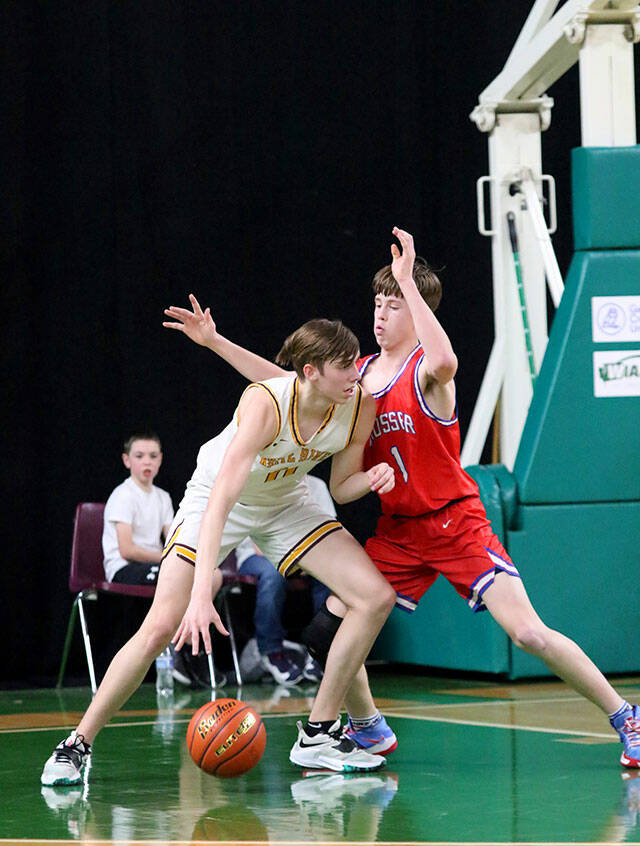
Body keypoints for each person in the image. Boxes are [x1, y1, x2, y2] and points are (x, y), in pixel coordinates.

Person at [167, 230, 640, 769]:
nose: (381, 314)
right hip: (401, 531)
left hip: (455, 523)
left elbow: (446, 358)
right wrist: (217, 343)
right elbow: (287, 382)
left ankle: (625, 715)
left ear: (417, 312)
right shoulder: (359, 376)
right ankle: (365, 728)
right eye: (378, 302)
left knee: (528, 632)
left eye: (394, 304)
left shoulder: (430, 374)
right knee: (328, 628)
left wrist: (410, 281)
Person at [41, 316, 398, 787]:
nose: (357, 372)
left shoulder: (358, 405)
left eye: (356, 362)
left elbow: (340, 485)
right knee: (159, 628)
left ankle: (319, 731)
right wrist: (200, 594)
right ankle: (77, 744)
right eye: (345, 365)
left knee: (375, 597)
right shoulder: (266, 403)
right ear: (310, 371)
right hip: (216, 501)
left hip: (287, 502)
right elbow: (219, 504)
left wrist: (372, 481)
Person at [236, 474, 333, 686]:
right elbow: (258, 544)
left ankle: (319, 652)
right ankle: (271, 652)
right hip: (260, 556)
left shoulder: (317, 486)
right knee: (273, 573)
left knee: (330, 575)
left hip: (304, 557)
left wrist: (309, 561)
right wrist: (297, 562)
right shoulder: (262, 481)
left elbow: (329, 535)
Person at [102, 431, 174, 586]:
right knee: (173, 579)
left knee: (202, 575)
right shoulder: (123, 495)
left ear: (160, 459)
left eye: (153, 456)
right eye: (139, 456)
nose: (147, 461)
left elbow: (172, 539)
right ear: (127, 460)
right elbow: (127, 550)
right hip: (124, 567)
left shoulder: (164, 497)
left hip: (155, 564)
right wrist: (165, 558)